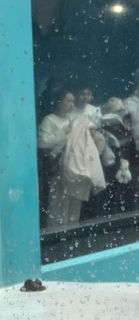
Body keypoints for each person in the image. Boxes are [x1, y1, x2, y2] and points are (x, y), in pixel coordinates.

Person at [37, 89, 80, 228]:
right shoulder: (49, 119)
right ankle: (56, 234)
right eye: (68, 100)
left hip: (74, 168)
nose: (71, 104)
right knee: (57, 202)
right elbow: (41, 142)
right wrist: (63, 133)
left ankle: (72, 231)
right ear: (59, 101)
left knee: (73, 201)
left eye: (73, 101)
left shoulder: (72, 119)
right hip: (57, 168)